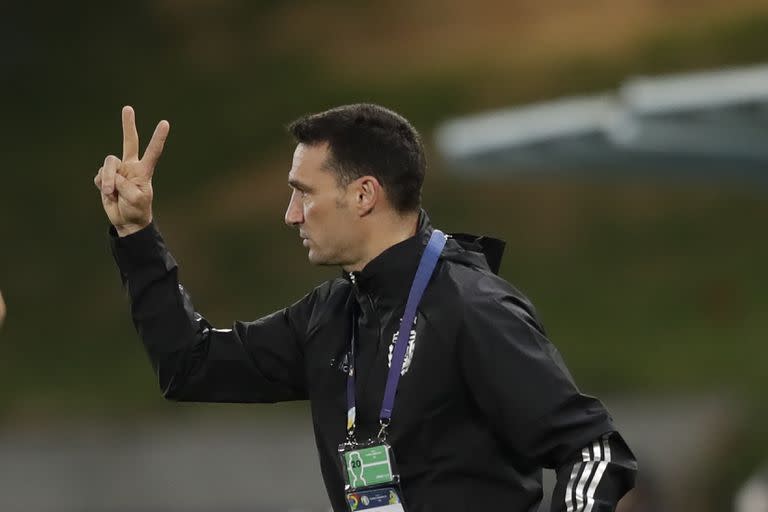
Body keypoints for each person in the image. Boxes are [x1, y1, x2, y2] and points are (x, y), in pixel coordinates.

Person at [95, 104, 637, 512]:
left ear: (363, 195)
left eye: (303, 193)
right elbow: (190, 365)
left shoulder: (472, 307)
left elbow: (593, 449)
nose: (290, 215)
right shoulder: (330, 315)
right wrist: (136, 235)